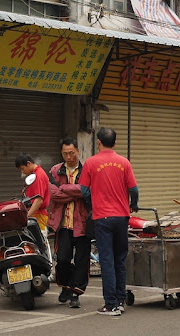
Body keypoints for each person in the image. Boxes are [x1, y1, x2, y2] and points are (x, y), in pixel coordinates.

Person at [79, 127, 139, 316]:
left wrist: (92, 205)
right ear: (114, 143)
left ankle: (111, 304)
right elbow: (134, 190)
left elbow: (83, 190)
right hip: (122, 217)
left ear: (98, 142)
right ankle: (120, 299)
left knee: (107, 261)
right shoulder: (124, 162)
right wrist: (133, 205)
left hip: (102, 218)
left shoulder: (90, 163)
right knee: (120, 259)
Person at [48, 138, 90, 309]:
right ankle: (66, 286)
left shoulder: (87, 170)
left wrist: (64, 188)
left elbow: (88, 192)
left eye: (71, 153)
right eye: (65, 153)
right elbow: (54, 194)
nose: (69, 157)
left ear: (78, 152)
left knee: (81, 260)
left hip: (82, 223)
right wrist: (76, 191)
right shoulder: (55, 171)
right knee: (63, 259)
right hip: (62, 223)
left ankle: (75, 293)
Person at [15, 154, 51, 239]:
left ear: (29, 163)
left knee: (38, 244)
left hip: (38, 216)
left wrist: (26, 217)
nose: (22, 172)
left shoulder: (38, 176)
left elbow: (38, 200)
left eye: (22, 169)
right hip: (35, 214)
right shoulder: (34, 174)